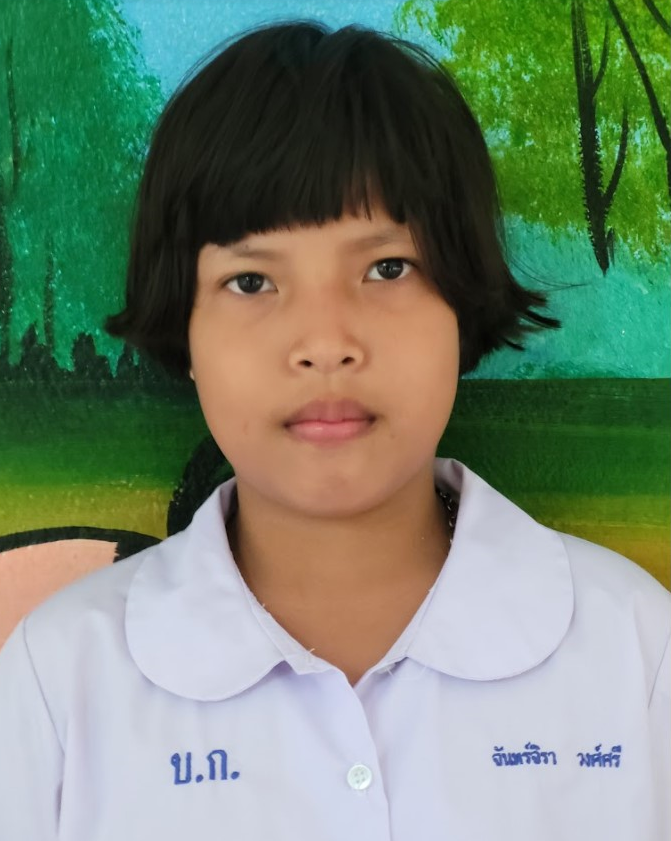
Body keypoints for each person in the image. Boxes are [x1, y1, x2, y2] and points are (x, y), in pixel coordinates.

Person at [0, 20, 668, 841]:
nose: (324, 343)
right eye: (251, 281)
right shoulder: (61, 677)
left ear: (461, 300)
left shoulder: (632, 647)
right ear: (186, 326)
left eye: (387, 268)